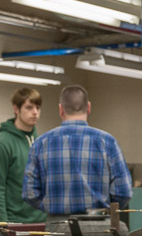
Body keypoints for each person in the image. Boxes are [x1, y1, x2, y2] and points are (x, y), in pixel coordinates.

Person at [23, 85, 132, 219]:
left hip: (58, 227)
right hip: (99, 224)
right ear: (89, 107)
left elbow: (29, 193)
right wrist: (103, 210)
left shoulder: (41, 143)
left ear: (60, 109)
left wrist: (52, 206)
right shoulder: (107, 141)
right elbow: (124, 192)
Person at [0, 88, 46, 224]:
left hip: (42, 221)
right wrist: (3, 223)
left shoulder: (40, 142)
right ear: (16, 109)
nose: (35, 112)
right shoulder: (4, 141)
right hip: (15, 221)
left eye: (38, 107)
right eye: (29, 107)